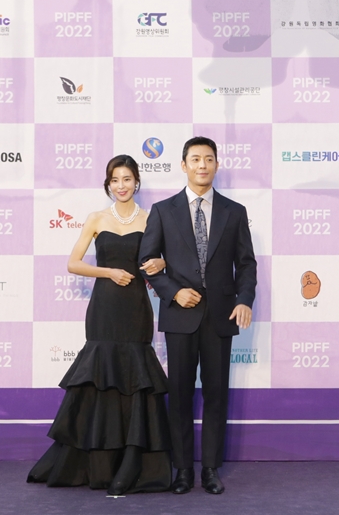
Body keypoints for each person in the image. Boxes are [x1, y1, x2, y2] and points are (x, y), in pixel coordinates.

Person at [27, 155, 173, 496]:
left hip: (135, 307)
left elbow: (166, 258)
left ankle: (132, 461)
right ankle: (98, 464)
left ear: (137, 182)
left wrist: (161, 262)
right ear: (108, 184)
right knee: (101, 378)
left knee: (134, 378)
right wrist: (108, 272)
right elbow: (73, 263)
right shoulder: (96, 218)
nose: (121, 186)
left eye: (127, 179)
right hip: (104, 307)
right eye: (114, 180)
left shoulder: (152, 219)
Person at [137, 137, 257, 495]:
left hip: (221, 315)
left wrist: (245, 299)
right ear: (183, 165)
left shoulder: (234, 211)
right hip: (180, 314)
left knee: (217, 394)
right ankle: (183, 469)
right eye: (195, 159)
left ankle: (210, 469)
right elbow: (147, 261)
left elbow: (246, 264)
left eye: (208, 159)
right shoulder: (163, 210)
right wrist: (174, 291)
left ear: (217, 165)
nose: (202, 165)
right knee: (180, 394)